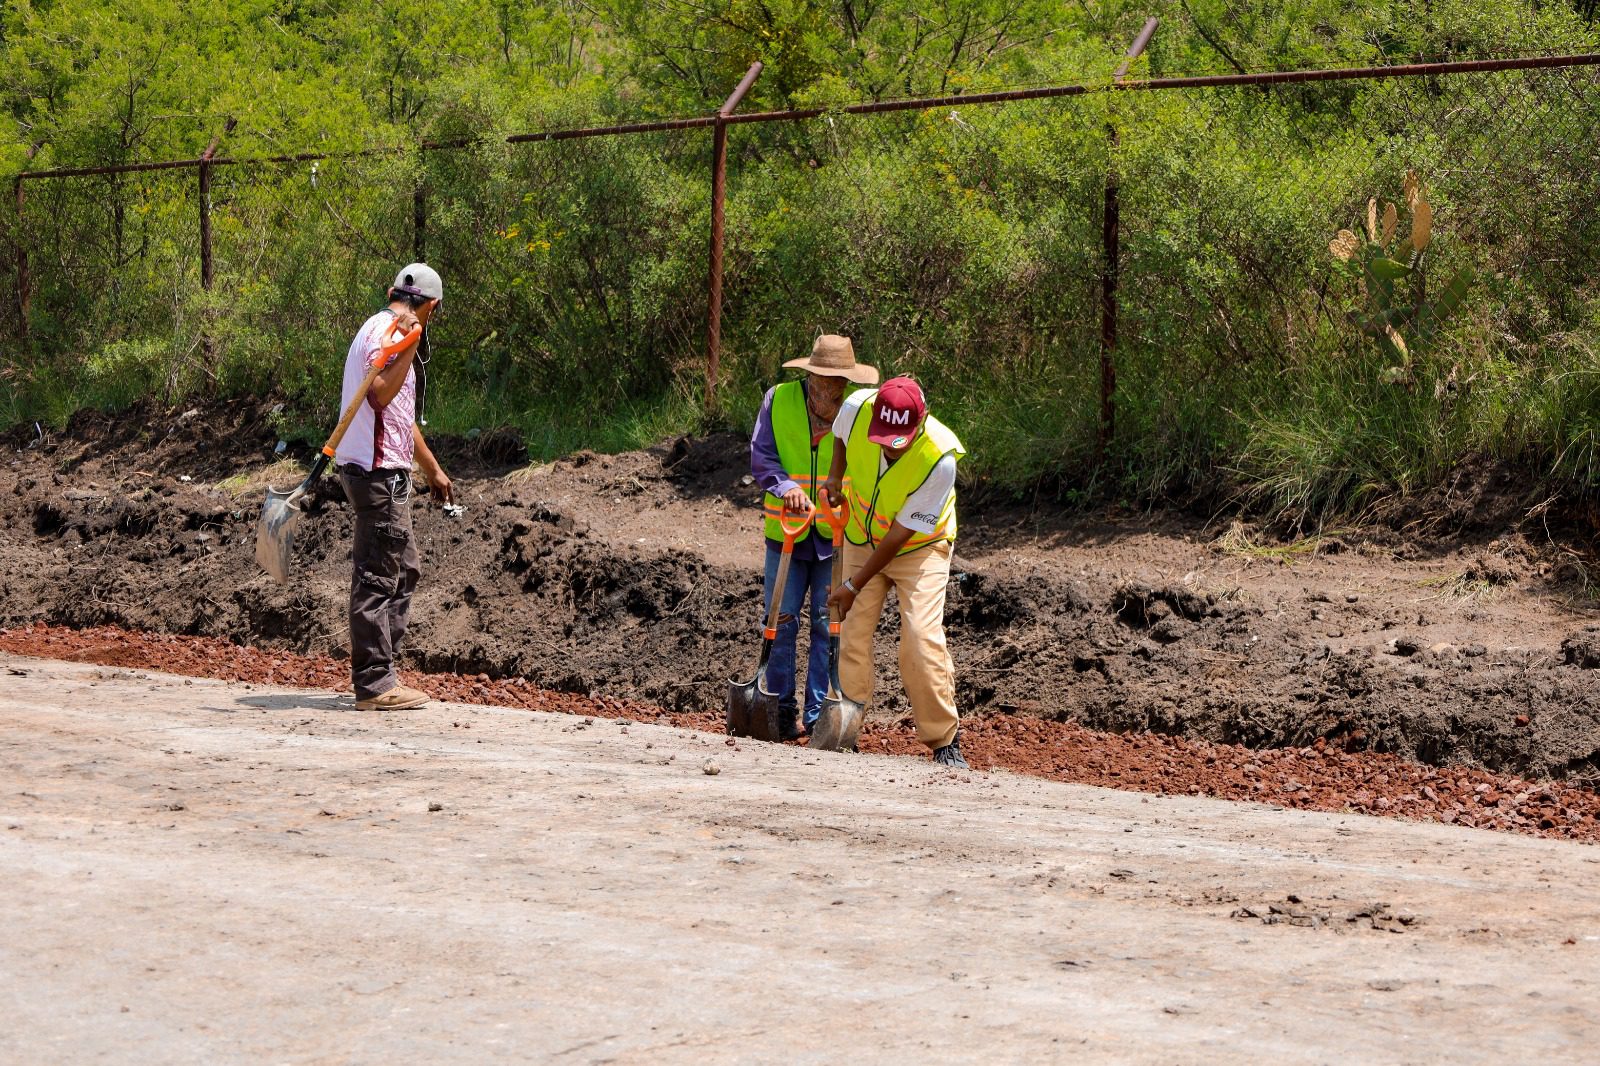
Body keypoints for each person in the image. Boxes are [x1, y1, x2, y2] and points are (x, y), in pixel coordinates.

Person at [824, 376, 968, 767]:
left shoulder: (940, 458)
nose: (888, 446)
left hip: (919, 547)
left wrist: (853, 584)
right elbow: (840, 437)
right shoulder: (856, 408)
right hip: (859, 536)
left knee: (920, 637)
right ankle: (844, 733)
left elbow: (898, 537)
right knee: (849, 631)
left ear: (920, 424)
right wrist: (835, 476)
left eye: (897, 440)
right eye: (882, 437)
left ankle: (944, 740)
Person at [335, 263, 454, 711]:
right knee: (378, 575)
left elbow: (398, 416)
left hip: (378, 467)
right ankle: (375, 683)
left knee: (403, 570)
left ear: (394, 293)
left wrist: (431, 469)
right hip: (376, 472)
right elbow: (381, 394)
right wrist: (412, 341)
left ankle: (382, 667)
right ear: (432, 307)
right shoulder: (396, 335)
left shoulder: (377, 327)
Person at [750, 334, 879, 739]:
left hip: (835, 536)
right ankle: (780, 709)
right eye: (826, 388)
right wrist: (785, 486)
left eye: (841, 389)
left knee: (828, 625)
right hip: (785, 534)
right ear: (810, 382)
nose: (833, 398)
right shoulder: (779, 400)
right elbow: (762, 455)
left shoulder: (860, 414)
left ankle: (818, 717)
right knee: (781, 621)